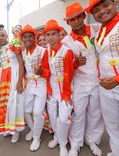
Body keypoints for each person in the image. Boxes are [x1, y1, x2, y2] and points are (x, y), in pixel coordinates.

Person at [86, 0, 119, 155]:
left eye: (105, 5)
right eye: (96, 10)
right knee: (113, 126)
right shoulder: (100, 31)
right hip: (106, 87)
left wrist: (118, 79)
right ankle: (117, 153)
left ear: (115, 2)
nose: (101, 11)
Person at [62, 2, 104, 156]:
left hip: (98, 82)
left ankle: (92, 140)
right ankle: (75, 143)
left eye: (78, 17)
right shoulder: (66, 42)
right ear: (68, 22)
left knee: (96, 113)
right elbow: (65, 68)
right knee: (78, 114)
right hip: (80, 84)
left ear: (84, 16)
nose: (76, 21)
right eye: (72, 20)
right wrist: (74, 63)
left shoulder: (96, 29)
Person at [42, 20, 74, 156]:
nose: (50, 37)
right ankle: (57, 137)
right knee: (53, 117)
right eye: (48, 35)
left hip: (65, 89)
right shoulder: (46, 52)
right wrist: (48, 88)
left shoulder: (67, 51)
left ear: (59, 34)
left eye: (53, 34)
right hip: (52, 89)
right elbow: (47, 72)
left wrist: (66, 94)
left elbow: (69, 74)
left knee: (63, 118)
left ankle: (62, 144)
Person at [20, 24, 51, 151]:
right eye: (25, 37)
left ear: (35, 38)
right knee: (26, 110)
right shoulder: (22, 52)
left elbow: (49, 71)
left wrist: (41, 72)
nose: (27, 39)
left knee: (38, 112)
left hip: (41, 84)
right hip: (30, 84)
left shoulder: (43, 51)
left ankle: (36, 138)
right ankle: (33, 129)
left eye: (30, 37)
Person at [0, 25, 25, 143]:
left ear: (7, 36)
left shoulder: (14, 45)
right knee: (5, 103)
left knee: (15, 102)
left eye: (3, 35)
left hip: (14, 75)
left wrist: (19, 81)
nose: (1, 38)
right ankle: (8, 127)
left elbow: (21, 63)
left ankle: (16, 131)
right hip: (3, 77)